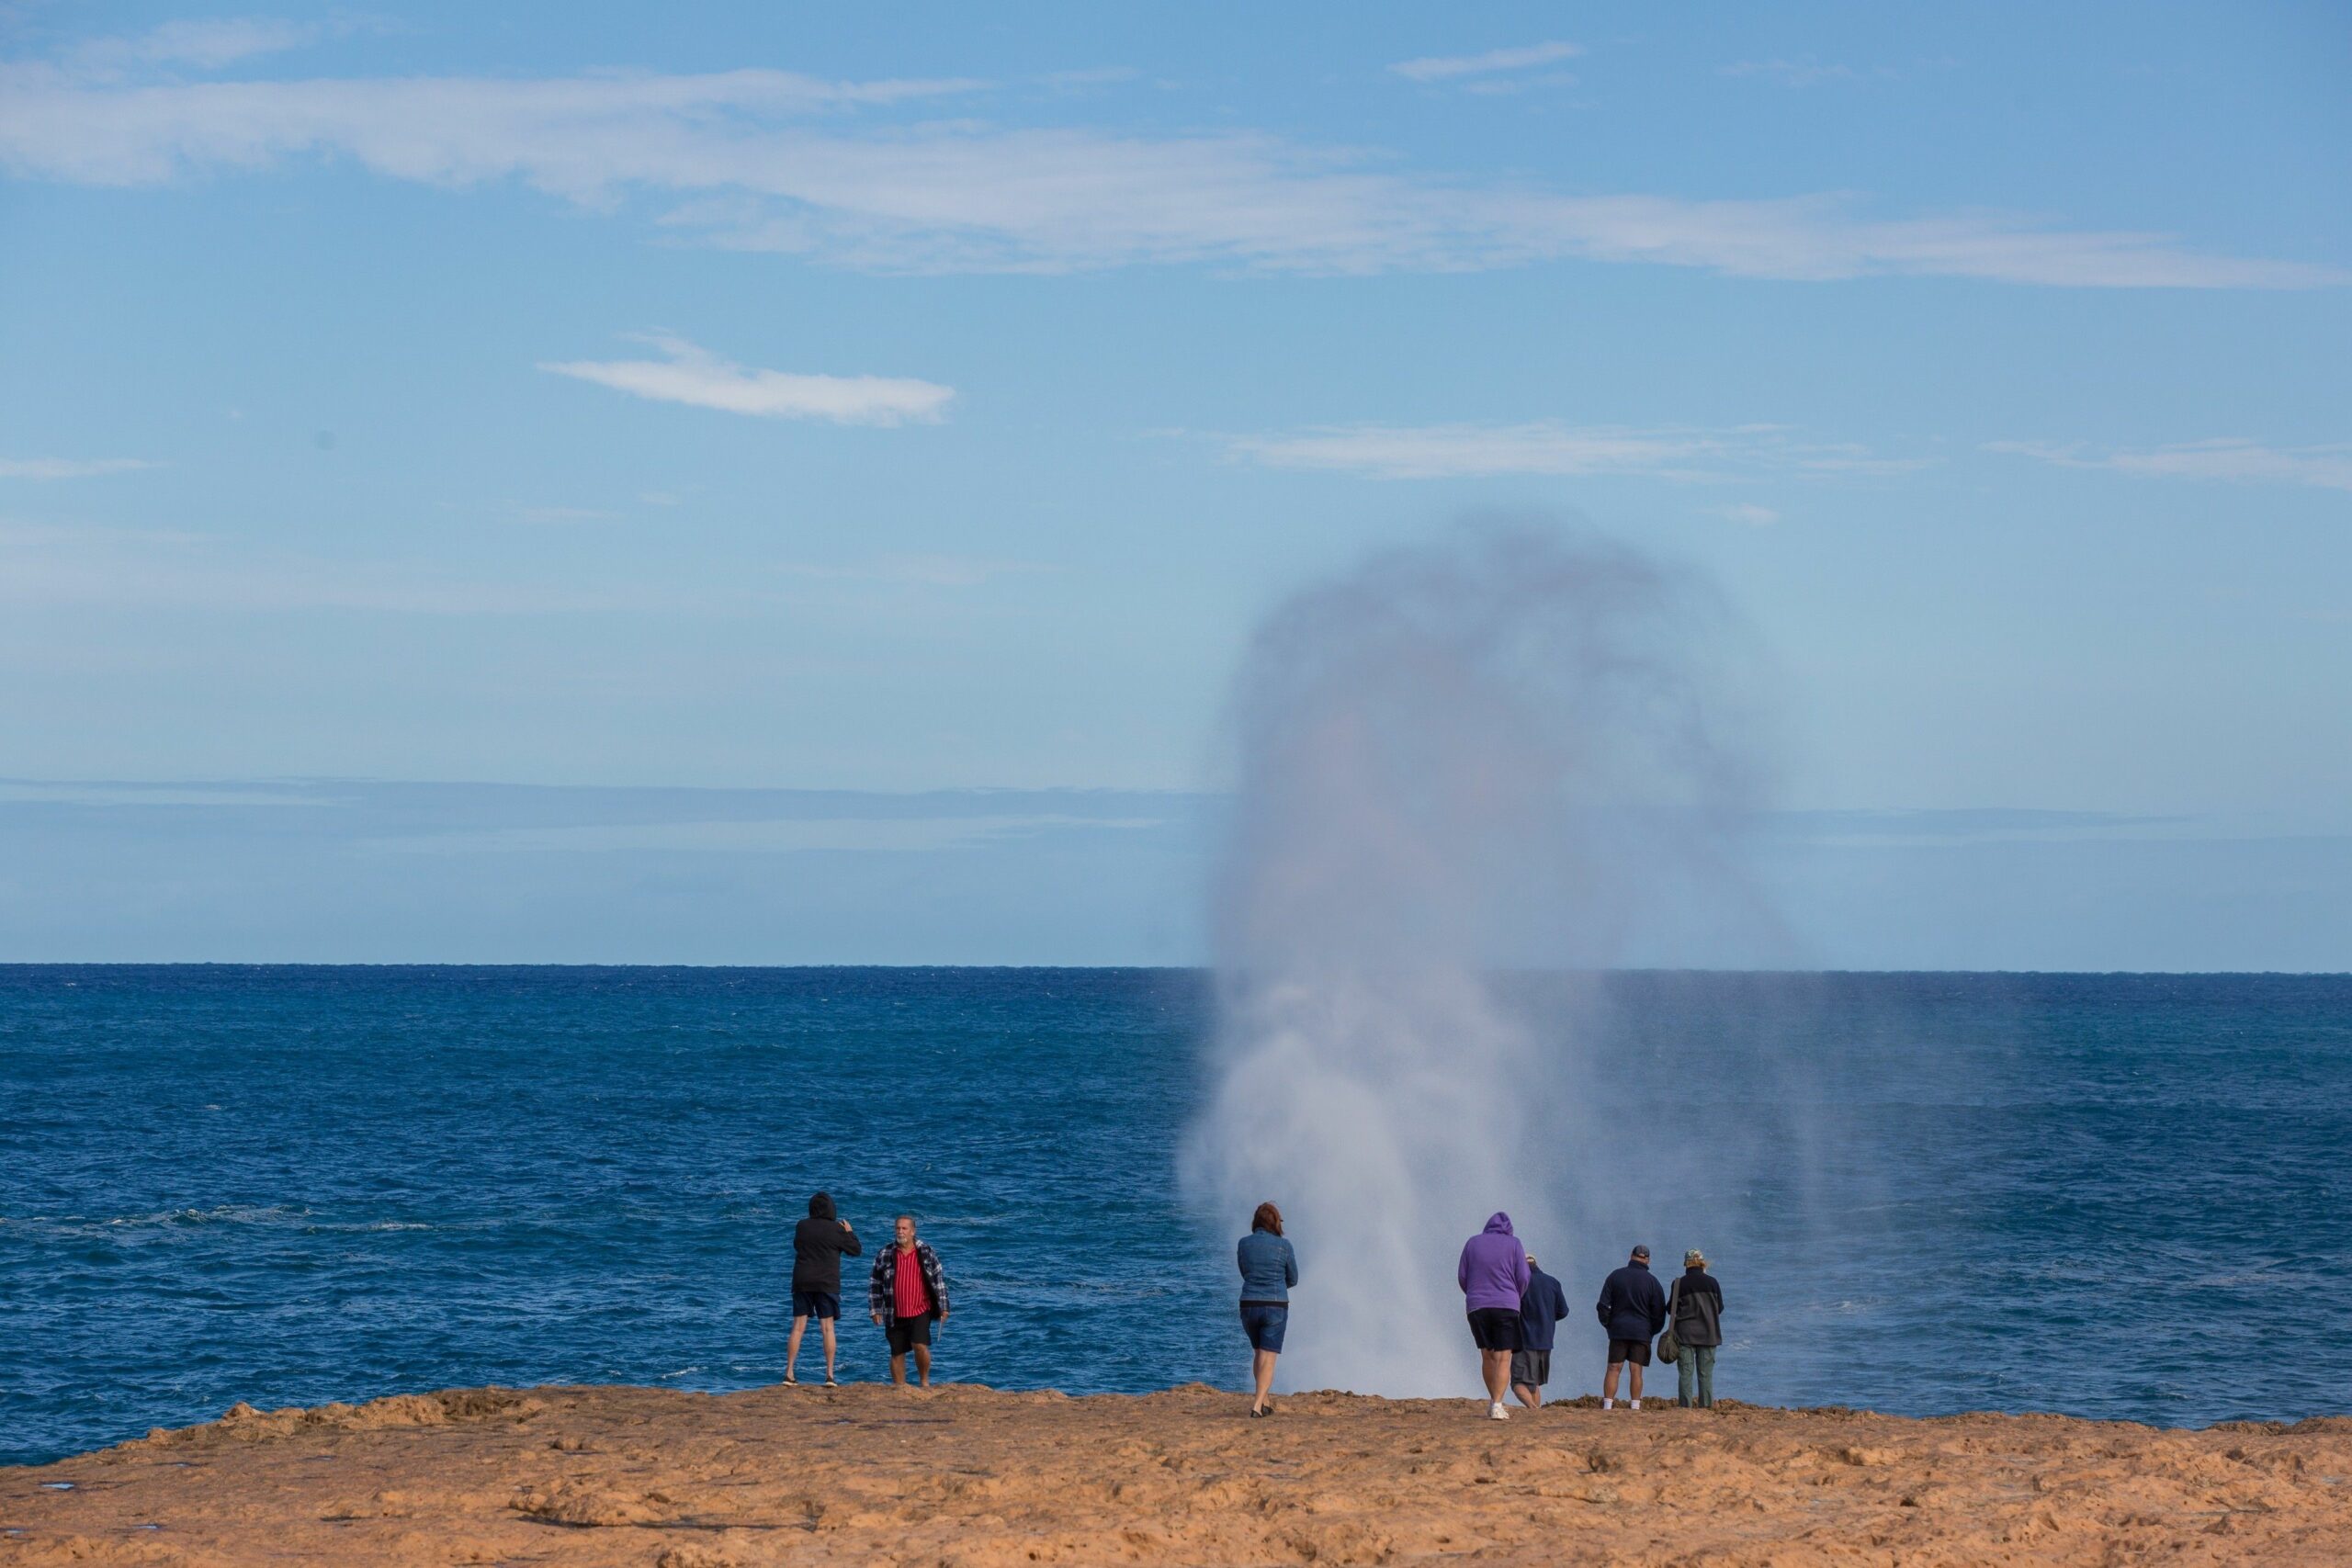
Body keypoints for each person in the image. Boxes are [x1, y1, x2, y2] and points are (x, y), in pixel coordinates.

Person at [1457, 1213, 1531, 1421]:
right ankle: (1497, 1404)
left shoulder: (1472, 1243)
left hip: (1477, 1306)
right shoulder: (1514, 1244)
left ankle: (1493, 1401)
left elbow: (1463, 1276)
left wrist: (1474, 1294)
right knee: (1503, 1358)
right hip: (1506, 1305)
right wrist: (1516, 1295)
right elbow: (1524, 1277)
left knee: (1487, 1355)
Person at [785, 1191, 861, 1386]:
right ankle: (829, 1375)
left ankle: (789, 1373)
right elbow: (856, 1250)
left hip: (802, 1280)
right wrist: (849, 1232)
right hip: (827, 1282)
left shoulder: (802, 1226)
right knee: (827, 1328)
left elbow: (797, 1245)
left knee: (798, 1327)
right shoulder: (836, 1229)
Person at [868, 1213, 950, 1388]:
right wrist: (875, 1309)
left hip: (921, 1308)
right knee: (897, 1352)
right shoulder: (885, 1253)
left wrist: (944, 1306)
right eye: (897, 1228)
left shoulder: (927, 1251)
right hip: (894, 1311)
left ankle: (924, 1382)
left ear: (913, 1231)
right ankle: (900, 1387)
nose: (900, 1231)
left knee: (919, 1345)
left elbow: (939, 1279)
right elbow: (875, 1282)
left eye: (904, 1228)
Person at [1236, 1201, 1297, 1418]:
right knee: (1269, 1357)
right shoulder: (1285, 1246)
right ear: (1275, 1223)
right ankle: (1256, 1406)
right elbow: (1293, 1278)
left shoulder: (1244, 1243)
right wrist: (1277, 1287)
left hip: (1248, 1305)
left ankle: (1265, 1401)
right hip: (1275, 1306)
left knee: (1259, 1353)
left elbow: (1245, 1272)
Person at [1596, 1244, 1668, 1410]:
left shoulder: (1615, 1276)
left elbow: (1603, 1305)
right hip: (1642, 1331)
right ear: (1647, 1260)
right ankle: (1635, 1406)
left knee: (1614, 1367)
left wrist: (1608, 1324)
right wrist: (1651, 1330)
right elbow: (1659, 1312)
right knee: (1636, 1369)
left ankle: (1608, 1405)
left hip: (1618, 1329)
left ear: (1631, 1256)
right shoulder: (1653, 1282)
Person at [1510, 1251, 1570, 1409]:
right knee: (1534, 1384)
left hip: (1525, 1340)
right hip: (1546, 1341)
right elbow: (1563, 1311)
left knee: (1518, 1383)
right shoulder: (1553, 1283)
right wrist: (1547, 1319)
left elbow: (1511, 1311)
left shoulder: (1519, 1284)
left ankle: (1533, 1409)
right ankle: (1535, 1416)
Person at [1668, 1248, 1724, 1409]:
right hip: (1709, 1334)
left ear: (1686, 1263)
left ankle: (1685, 1407)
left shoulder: (1679, 1283)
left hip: (1685, 1335)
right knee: (1705, 1374)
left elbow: (1671, 1310)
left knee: (1685, 1373)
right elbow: (1719, 1308)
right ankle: (1705, 1407)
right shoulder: (1713, 1282)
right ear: (1702, 1262)